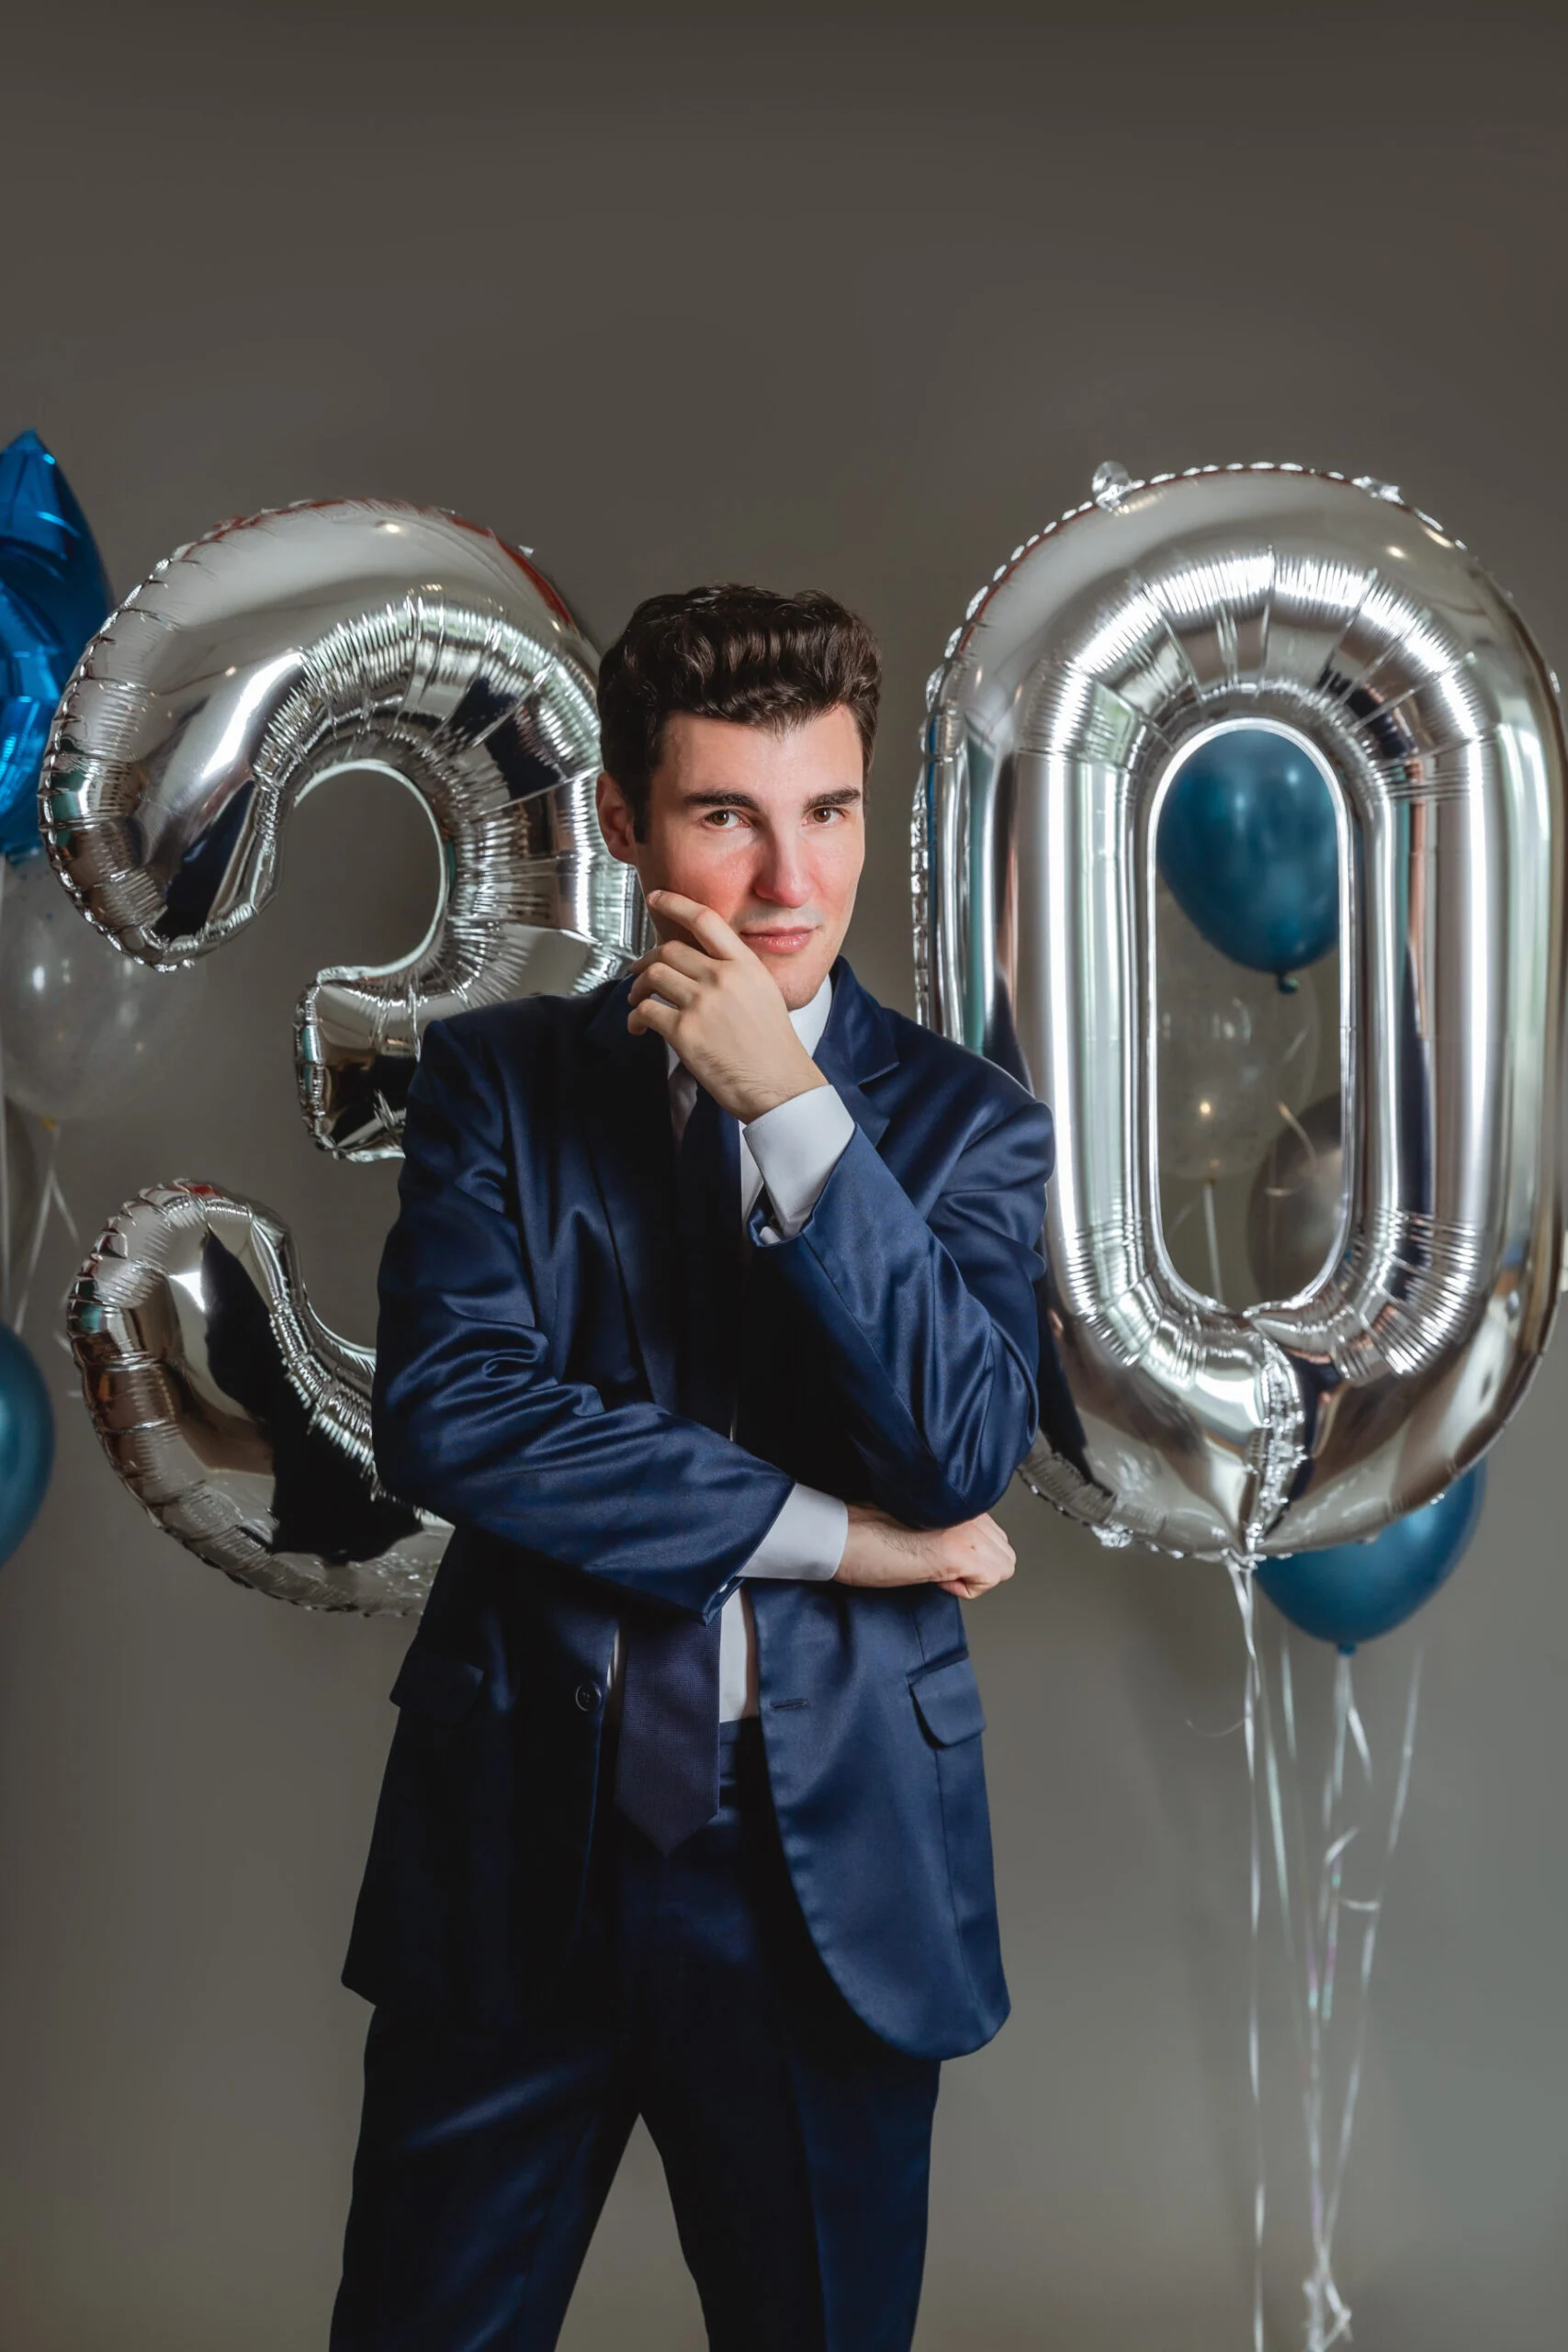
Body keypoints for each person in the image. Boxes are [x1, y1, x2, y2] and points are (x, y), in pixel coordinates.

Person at [330, 584, 1055, 2351]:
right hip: (519, 1854)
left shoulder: (967, 1127)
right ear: (621, 822)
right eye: (728, 816)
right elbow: (453, 1415)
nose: (791, 882)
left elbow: (963, 1446)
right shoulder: (495, 1085)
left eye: (830, 811)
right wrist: (834, 1540)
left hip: (830, 1880)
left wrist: (791, 1111)